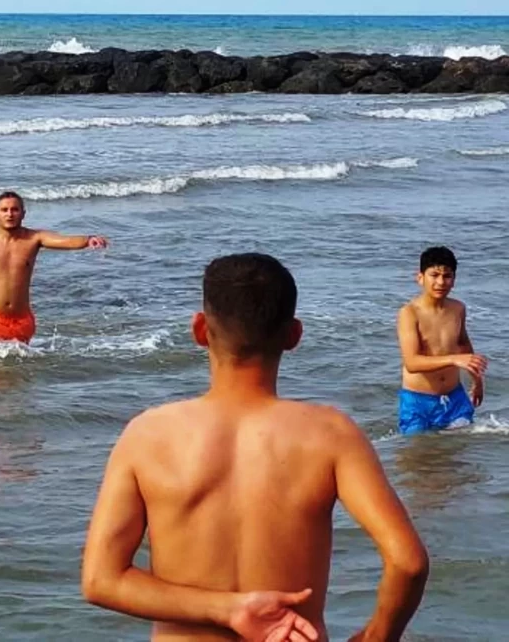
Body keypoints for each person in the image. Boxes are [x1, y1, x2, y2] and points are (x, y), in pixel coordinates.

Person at [82, 253, 429, 642]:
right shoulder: (331, 434)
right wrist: (378, 636)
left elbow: (101, 580)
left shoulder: (147, 435)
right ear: (294, 335)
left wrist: (227, 609)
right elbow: (408, 562)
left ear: (200, 329)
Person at [0, 191, 107, 346]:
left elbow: (63, 240)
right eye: (4, 210)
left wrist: (87, 240)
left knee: (17, 375)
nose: (10, 214)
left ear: (23, 214)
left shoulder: (33, 239)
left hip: (22, 321)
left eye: (15, 210)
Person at [396, 246, 487, 435]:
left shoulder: (458, 309)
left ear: (454, 280)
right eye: (434, 275)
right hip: (419, 401)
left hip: (455, 397)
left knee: (456, 454)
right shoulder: (409, 313)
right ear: (420, 277)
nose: (441, 282)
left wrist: (477, 382)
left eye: (447, 276)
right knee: (416, 455)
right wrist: (453, 359)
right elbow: (412, 363)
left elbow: (464, 347)